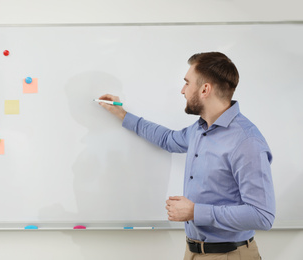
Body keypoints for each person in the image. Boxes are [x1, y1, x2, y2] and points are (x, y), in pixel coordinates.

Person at [98, 52, 275, 260]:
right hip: (192, 252)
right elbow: (167, 139)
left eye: (186, 83)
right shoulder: (199, 130)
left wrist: (195, 212)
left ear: (205, 89)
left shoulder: (246, 142)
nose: (182, 90)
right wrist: (122, 114)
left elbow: (262, 216)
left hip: (230, 255)